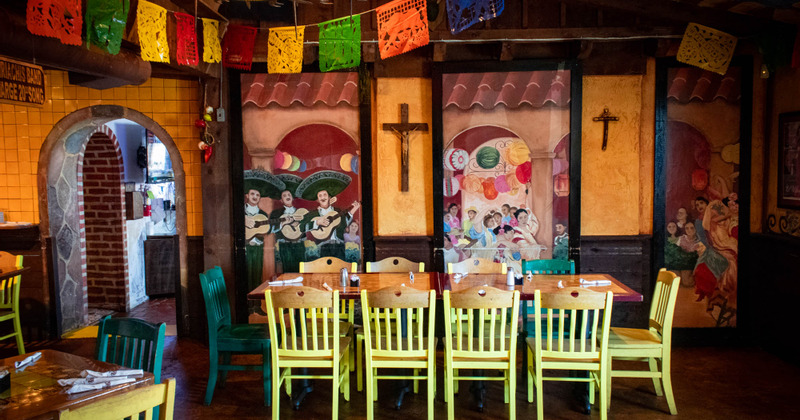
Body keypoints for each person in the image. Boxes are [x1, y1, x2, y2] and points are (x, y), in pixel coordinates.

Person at [243, 169, 285, 314]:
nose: (255, 197)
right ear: (247, 195)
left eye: (258, 195)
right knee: (246, 274)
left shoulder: (262, 214)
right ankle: (246, 307)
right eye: (253, 194)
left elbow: (266, 229)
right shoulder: (242, 212)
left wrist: (280, 224)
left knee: (256, 274)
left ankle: (256, 305)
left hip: (257, 247)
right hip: (246, 248)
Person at [297, 170, 360, 262]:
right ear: (317, 199)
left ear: (329, 197)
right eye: (320, 196)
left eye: (325, 195)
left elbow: (343, 223)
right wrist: (317, 222)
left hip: (339, 246)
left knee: (340, 269)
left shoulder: (337, 211)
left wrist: (353, 209)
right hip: (323, 247)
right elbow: (301, 227)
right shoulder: (313, 214)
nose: (323, 197)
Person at [270, 180, 307, 273]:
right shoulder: (276, 214)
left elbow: (306, 227)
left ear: (292, 198)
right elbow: (271, 229)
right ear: (281, 200)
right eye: (284, 196)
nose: (287, 197)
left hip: (299, 245)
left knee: (300, 270)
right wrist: (283, 224)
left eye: (289, 195)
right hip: (285, 245)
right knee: (287, 271)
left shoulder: (301, 212)